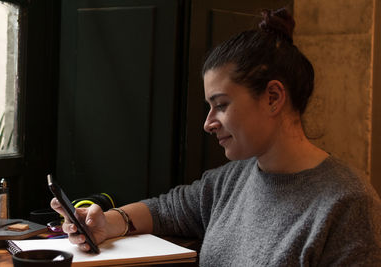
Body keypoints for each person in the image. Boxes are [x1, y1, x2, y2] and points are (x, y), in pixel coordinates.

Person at [51, 8, 381, 266]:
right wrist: (108, 222)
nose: (209, 123)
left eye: (221, 105)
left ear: (273, 97)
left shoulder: (347, 203)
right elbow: (167, 209)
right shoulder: (230, 181)